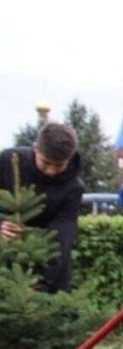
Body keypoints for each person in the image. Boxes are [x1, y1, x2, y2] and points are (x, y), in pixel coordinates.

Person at [0, 123, 84, 293]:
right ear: (35, 148)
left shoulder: (74, 187)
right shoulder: (9, 161)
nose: (51, 171)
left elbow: (62, 236)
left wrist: (41, 279)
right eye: (46, 163)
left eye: (59, 165)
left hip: (46, 266)